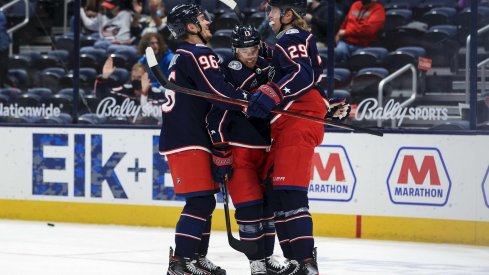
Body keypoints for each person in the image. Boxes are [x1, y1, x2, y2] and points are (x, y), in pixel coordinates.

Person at [245, 0, 351, 274]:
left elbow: (301, 75)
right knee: (279, 195)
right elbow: (307, 80)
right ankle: (295, 261)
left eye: (273, 10)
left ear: (288, 14)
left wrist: (274, 93)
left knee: (291, 194)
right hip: (289, 122)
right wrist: (325, 104)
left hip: (295, 124)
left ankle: (305, 263)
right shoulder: (286, 39)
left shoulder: (291, 36)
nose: (269, 15)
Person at [161, 4, 251, 274]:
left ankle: (196, 258)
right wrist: (249, 100)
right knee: (199, 202)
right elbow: (217, 92)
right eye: (203, 19)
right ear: (191, 27)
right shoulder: (197, 52)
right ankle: (180, 262)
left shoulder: (183, 54)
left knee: (205, 201)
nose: (209, 23)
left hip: (187, 137)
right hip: (189, 139)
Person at [206, 24, 297, 275]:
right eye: (245, 50)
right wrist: (221, 149)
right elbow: (217, 115)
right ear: (235, 50)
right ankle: (256, 264)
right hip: (240, 151)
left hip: (267, 149)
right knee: (249, 209)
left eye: (254, 48)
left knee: (267, 208)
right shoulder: (228, 71)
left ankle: (266, 259)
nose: (250, 54)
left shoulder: (266, 64)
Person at [0, 7, 10, 88]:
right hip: (3, 45)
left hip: (2, 45)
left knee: (3, 67)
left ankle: (1, 85)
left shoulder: (1, 15)